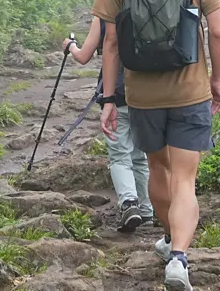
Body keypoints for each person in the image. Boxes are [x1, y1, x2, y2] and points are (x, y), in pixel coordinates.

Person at [96, 0, 220, 291]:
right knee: (186, 177)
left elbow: (112, 45)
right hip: (189, 91)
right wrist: (216, 81)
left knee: (157, 169)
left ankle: (170, 240)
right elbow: (218, 34)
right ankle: (179, 258)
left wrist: (107, 100)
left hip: (142, 95)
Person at [64, 20, 154, 230]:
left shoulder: (106, 11)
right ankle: (148, 209)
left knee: (120, 155)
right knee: (141, 155)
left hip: (117, 93)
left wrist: (70, 46)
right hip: (149, 92)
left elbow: (84, 55)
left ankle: (129, 203)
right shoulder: (154, 2)